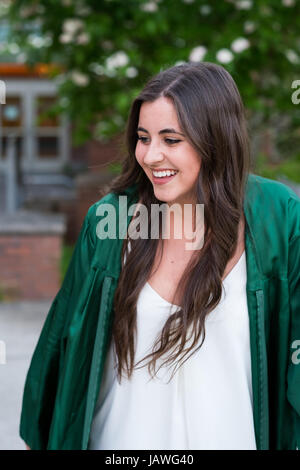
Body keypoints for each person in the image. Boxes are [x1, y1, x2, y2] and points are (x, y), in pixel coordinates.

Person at [20, 62, 299, 450]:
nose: (150, 156)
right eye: (143, 137)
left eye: (171, 140)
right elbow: (62, 348)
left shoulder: (278, 217)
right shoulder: (111, 223)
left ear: (215, 138)